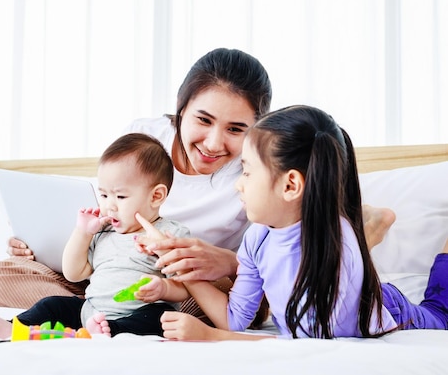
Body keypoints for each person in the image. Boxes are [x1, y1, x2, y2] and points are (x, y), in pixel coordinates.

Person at [0, 48, 395, 326]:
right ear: (180, 111)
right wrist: (47, 240)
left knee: (224, 305)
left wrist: (224, 261)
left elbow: (282, 246)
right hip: (102, 271)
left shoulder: (255, 171)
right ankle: (102, 315)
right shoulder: (143, 135)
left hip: (181, 287)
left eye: (236, 129)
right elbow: (104, 204)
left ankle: (105, 317)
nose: (215, 144)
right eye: (203, 120)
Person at [136, 105, 448, 341]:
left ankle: (376, 223)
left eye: (246, 172)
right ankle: (372, 220)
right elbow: (235, 319)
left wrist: (210, 337)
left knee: (441, 307)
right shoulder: (257, 237)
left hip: (397, 311)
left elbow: (304, 344)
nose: (238, 186)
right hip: (360, 286)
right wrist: (177, 264)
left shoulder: (335, 262)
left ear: (290, 186)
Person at [0, 133, 190, 339]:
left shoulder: (172, 235)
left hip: (141, 313)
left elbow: (186, 287)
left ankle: (110, 332)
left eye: (121, 196)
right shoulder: (103, 232)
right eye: (103, 194)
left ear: (156, 196)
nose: (109, 206)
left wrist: (164, 289)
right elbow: (74, 274)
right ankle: (14, 326)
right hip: (92, 311)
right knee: (52, 305)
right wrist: (82, 233)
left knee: (159, 317)